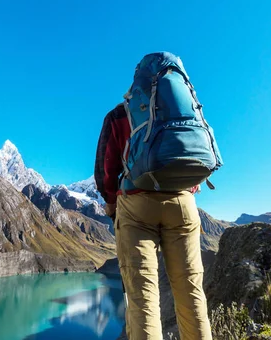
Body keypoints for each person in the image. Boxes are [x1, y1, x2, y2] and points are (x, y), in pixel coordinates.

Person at [94, 55, 214, 340]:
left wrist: (113, 207)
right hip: (183, 207)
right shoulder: (186, 110)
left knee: (143, 301)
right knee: (191, 295)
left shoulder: (119, 115)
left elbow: (105, 171)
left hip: (137, 207)